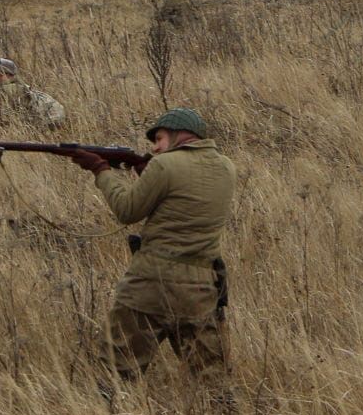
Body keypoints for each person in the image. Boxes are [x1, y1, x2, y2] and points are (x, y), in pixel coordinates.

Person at [65, 108, 236, 379]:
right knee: (211, 377)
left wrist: (101, 170)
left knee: (117, 371)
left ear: (179, 135)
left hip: (151, 282)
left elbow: (127, 210)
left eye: (159, 139)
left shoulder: (164, 165)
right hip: (201, 287)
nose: (155, 148)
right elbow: (182, 199)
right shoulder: (226, 166)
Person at [0, 57, 66, 128]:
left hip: (48, 120)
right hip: (55, 117)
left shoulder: (10, 89)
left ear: (5, 75)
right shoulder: (19, 87)